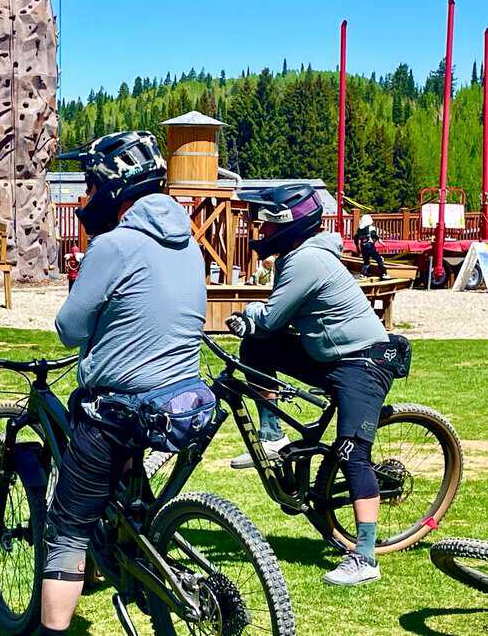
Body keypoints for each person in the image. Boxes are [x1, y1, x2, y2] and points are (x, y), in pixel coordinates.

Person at [40, 131, 208, 634]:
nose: (85, 198)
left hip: (119, 408)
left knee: (66, 529)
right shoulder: (188, 243)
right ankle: (130, 549)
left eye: (90, 186)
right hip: (182, 402)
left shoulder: (115, 244)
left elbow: (69, 330)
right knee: (128, 501)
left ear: (114, 187)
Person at [225, 183, 395, 586]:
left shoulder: (305, 262)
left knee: (353, 453)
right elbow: (270, 326)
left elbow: (270, 317)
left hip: (364, 361)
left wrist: (250, 313)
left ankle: (366, 556)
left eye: (267, 226)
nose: (260, 232)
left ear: (290, 226)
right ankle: (273, 437)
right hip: (331, 355)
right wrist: (256, 322)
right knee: (257, 347)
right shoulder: (296, 256)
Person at [353, 214, 389, 279]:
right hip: (370, 246)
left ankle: (363, 274)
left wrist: (357, 247)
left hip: (363, 246)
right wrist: (381, 243)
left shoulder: (359, 229)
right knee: (379, 259)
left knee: (366, 262)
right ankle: (384, 273)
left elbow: (356, 238)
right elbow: (374, 235)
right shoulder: (371, 228)